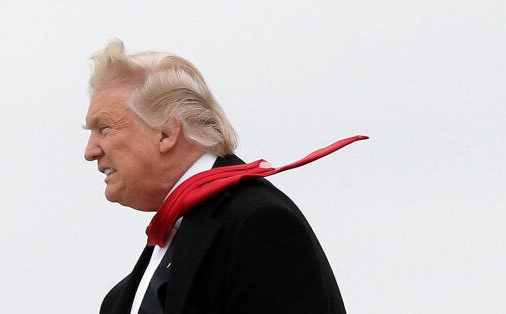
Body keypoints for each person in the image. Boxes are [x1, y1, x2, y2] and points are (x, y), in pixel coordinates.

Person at [84, 39, 347, 314]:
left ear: (166, 133)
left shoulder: (257, 224)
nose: (90, 151)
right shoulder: (121, 298)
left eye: (104, 128)